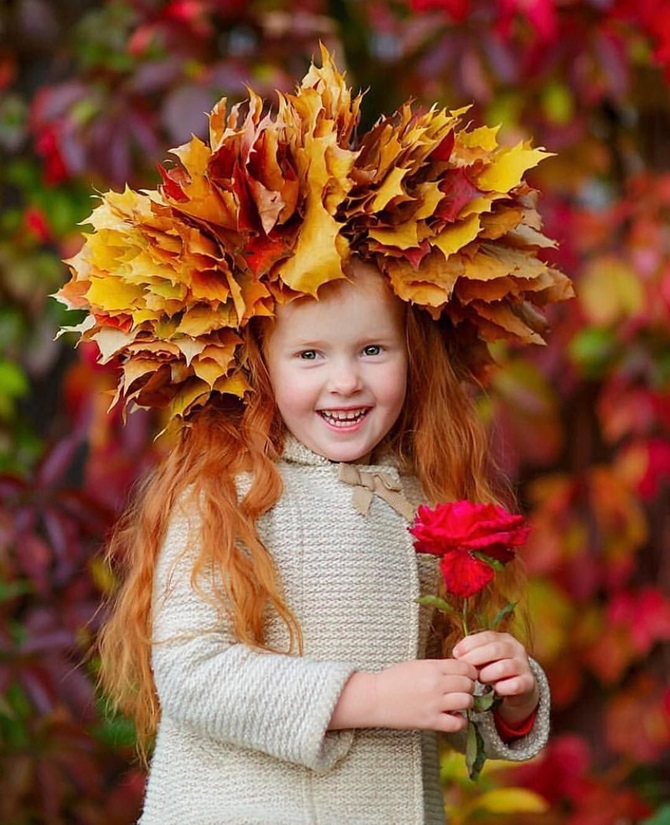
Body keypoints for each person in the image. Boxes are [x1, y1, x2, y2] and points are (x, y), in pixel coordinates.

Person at [57, 49, 571, 825]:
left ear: (412, 354)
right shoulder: (228, 492)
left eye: (373, 350)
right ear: (259, 366)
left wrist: (509, 693)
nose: (346, 382)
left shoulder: (420, 496)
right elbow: (193, 670)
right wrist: (365, 695)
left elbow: (429, 697)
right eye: (309, 355)